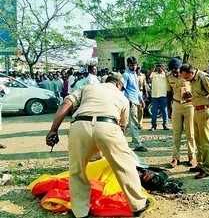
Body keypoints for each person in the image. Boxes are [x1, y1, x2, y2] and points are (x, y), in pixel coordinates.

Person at [45, 72, 148, 218]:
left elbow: (66, 103)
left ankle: (80, 212)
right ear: (119, 85)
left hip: (80, 125)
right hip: (108, 125)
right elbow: (122, 127)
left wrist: (53, 130)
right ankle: (138, 206)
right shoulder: (122, 97)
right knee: (125, 166)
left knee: (77, 170)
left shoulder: (88, 88)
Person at [180, 64, 209, 179]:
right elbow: (200, 95)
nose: (186, 80)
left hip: (204, 111)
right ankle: (200, 164)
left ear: (191, 73)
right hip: (196, 111)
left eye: (186, 77)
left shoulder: (203, 78)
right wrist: (190, 98)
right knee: (197, 139)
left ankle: (207, 169)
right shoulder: (192, 80)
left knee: (205, 140)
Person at [166, 58, 196, 168]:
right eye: (173, 70)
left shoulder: (187, 74)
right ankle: (175, 157)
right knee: (176, 133)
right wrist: (169, 109)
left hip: (189, 105)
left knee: (190, 133)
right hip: (176, 105)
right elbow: (168, 93)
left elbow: (195, 89)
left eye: (176, 69)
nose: (175, 72)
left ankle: (191, 157)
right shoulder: (168, 77)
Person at [123, 57, 147, 152]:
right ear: (128, 65)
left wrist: (141, 100)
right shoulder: (126, 75)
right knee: (134, 123)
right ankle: (137, 144)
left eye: (135, 65)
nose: (134, 66)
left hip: (136, 101)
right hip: (130, 102)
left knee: (129, 124)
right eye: (132, 65)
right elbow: (122, 89)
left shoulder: (134, 75)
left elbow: (136, 90)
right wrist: (127, 100)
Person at [149, 64, 169, 131]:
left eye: (160, 67)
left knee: (164, 111)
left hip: (163, 95)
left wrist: (164, 70)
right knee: (154, 111)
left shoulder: (165, 74)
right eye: (158, 67)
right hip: (154, 95)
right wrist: (153, 69)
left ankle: (165, 125)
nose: (159, 68)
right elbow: (149, 77)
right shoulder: (153, 74)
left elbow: (169, 77)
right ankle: (153, 125)